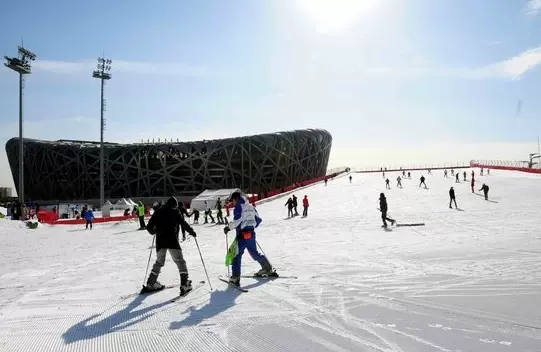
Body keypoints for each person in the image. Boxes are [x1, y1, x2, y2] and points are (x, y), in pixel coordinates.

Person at [142, 196, 197, 295]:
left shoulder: (158, 212)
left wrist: (154, 231)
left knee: (159, 262)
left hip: (160, 241)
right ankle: (185, 284)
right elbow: (183, 223)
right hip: (172, 241)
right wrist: (192, 232)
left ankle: (151, 283)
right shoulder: (175, 212)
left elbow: (149, 227)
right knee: (180, 261)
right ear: (174, 205)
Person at [223, 191, 275, 287]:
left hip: (242, 236)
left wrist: (228, 227)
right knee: (254, 253)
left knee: (236, 255)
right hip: (251, 234)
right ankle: (267, 269)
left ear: (236, 199)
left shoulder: (239, 206)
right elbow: (258, 220)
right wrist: (251, 226)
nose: (232, 204)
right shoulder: (251, 207)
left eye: (232, 201)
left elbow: (237, 221)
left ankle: (235, 278)